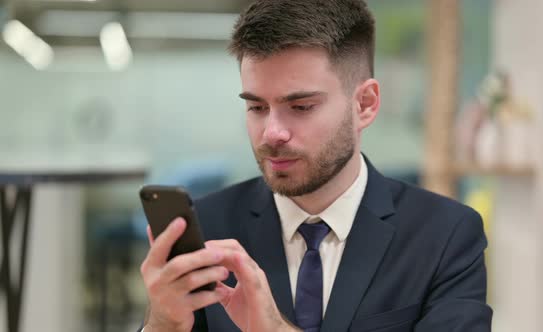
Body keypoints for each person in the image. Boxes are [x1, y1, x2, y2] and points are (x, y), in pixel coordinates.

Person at [139, 0, 493, 331]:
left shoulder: (444, 235)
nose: (272, 133)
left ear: (365, 104)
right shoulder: (209, 228)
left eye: (301, 107)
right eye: (257, 108)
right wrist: (161, 323)